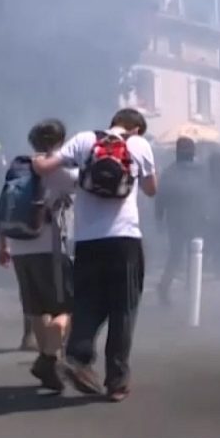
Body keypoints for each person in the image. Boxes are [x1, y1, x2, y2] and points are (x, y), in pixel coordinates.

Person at [33, 108, 157, 402]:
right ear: (137, 129)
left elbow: (46, 167)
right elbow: (152, 190)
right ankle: (117, 382)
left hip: (87, 241)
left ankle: (78, 358)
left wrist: (38, 162)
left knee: (87, 303)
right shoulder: (139, 145)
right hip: (125, 239)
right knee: (123, 310)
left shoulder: (85, 139)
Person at [0, 119, 76, 391]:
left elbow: (1, 206)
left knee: (36, 309)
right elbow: (86, 184)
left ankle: (48, 365)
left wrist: (2, 244)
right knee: (66, 307)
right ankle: (48, 359)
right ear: (60, 141)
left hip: (19, 247)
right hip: (50, 248)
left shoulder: (18, 166)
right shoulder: (58, 170)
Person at [156, 137, 207, 306]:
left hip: (179, 218)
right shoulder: (199, 171)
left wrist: (159, 218)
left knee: (178, 255)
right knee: (191, 255)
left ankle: (173, 287)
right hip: (190, 217)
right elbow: (207, 194)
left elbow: (160, 198)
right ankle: (189, 288)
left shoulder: (170, 172)